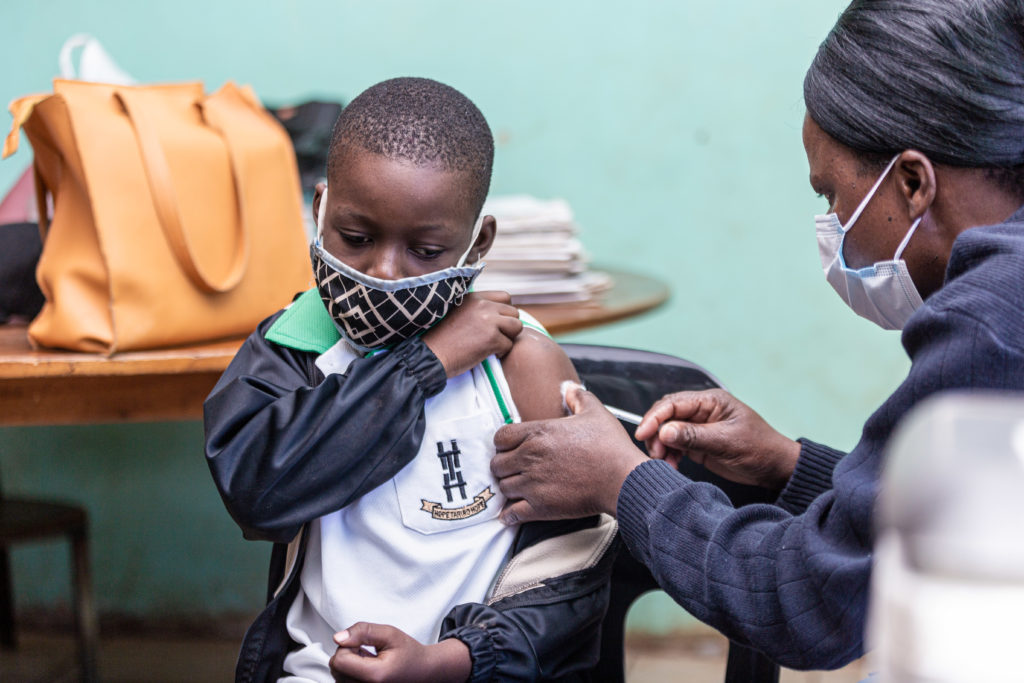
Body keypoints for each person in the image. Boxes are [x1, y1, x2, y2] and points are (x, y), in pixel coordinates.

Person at [490, 0, 1024, 670]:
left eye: (832, 196)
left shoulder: (992, 315)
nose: (832, 224)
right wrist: (787, 464)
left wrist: (623, 478)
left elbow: (810, 600)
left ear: (913, 181)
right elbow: (947, 505)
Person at [204, 77, 616, 683]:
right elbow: (259, 493)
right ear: (319, 209)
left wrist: (455, 660)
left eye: (426, 250)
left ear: (479, 241)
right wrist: (425, 363)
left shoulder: (519, 362)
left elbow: (571, 570)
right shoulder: (291, 347)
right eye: (357, 238)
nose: (385, 273)